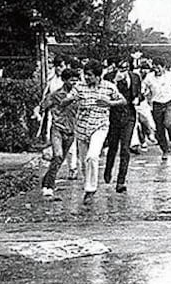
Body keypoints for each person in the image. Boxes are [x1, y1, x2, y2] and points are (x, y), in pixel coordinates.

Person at [74, 60, 126, 205]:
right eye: (85, 74)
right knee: (84, 162)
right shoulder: (79, 87)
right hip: (81, 128)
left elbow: (122, 100)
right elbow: (70, 98)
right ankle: (88, 184)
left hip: (100, 126)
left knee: (92, 156)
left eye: (90, 75)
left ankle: (90, 190)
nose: (87, 77)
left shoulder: (109, 87)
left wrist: (110, 103)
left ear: (98, 76)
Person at [39, 66, 80, 199]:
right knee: (57, 156)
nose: (74, 83)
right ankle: (49, 186)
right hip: (57, 128)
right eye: (71, 80)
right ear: (64, 80)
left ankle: (46, 181)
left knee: (60, 160)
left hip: (71, 131)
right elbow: (42, 107)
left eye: (76, 80)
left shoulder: (79, 95)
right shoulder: (55, 94)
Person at [104, 59, 141, 193]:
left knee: (125, 148)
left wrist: (138, 98)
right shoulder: (109, 77)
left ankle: (121, 180)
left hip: (129, 115)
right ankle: (108, 171)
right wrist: (115, 81)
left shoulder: (135, 77)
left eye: (125, 69)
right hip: (114, 116)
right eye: (120, 69)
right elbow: (105, 93)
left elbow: (139, 93)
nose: (122, 72)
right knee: (113, 147)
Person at [145, 60, 171, 159]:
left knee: (168, 122)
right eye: (155, 68)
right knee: (159, 129)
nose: (157, 70)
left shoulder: (170, 75)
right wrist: (145, 94)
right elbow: (144, 87)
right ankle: (165, 149)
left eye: (159, 68)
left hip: (169, 102)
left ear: (164, 67)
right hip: (156, 104)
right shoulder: (149, 77)